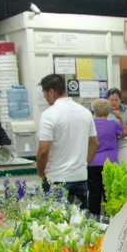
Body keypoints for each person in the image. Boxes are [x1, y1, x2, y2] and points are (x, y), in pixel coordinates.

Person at [37, 73, 98, 208]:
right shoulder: (85, 112)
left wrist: (41, 172)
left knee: (57, 225)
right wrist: (84, 164)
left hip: (57, 179)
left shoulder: (49, 115)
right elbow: (94, 143)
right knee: (80, 222)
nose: (46, 99)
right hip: (80, 177)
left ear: (51, 92)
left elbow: (43, 150)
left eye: (45, 95)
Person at [89, 98, 127, 215]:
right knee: (108, 194)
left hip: (92, 163)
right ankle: (109, 221)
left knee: (94, 195)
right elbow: (125, 132)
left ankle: (93, 220)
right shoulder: (113, 125)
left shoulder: (90, 125)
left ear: (94, 110)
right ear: (109, 111)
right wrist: (120, 117)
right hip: (109, 164)